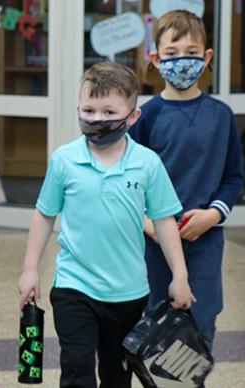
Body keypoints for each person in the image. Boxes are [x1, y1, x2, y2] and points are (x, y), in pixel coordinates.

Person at [18, 61, 195, 388]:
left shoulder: (147, 164)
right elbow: (44, 214)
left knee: (117, 375)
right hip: (75, 286)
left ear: (133, 116)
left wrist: (180, 276)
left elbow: (164, 222)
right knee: (77, 369)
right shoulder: (64, 160)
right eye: (88, 109)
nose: (97, 119)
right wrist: (30, 269)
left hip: (129, 294)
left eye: (108, 111)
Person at [129, 10, 244, 351]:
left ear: (207, 57)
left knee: (201, 320)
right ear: (155, 59)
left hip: (205, 242)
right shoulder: (145, 117)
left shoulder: (221, 116)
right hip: (153, 243)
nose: (182, 61)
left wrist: (213, 215)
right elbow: (127, 178)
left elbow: (233, 176)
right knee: (155, 322)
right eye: (171, 53)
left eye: (192, 53)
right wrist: (148, 224)